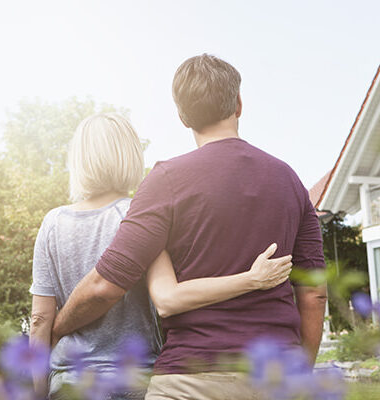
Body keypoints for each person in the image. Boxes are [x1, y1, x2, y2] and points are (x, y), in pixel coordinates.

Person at [51, 54, 327, 400]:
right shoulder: (289, 180)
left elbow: (105, 286)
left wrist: (56, 328)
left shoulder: (165, 181)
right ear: (238, 104)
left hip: (190, 380)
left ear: (182, 116)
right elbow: (314, 294)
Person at [29, 113, 292, 400]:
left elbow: (40, 318)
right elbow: (168, 297)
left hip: (69, 382)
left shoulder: (52, 224)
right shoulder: (140, 216)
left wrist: (39, 391)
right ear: (129, 155)